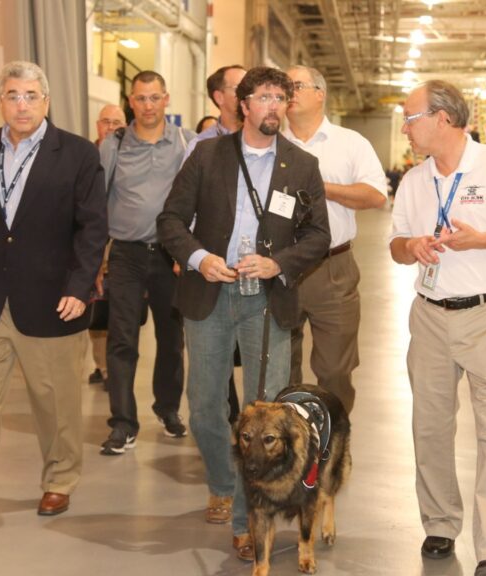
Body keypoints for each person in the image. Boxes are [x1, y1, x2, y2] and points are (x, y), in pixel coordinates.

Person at [157, 66, 331, 561]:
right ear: (244, 104)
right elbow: (169, 220)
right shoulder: (208, 155)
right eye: (265, 97)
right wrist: (199, 258)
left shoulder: (301, 165)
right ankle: (223, 483)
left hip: (266, 298)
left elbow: (318, 235)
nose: (275, 106)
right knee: (206, 407)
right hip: (209, 294)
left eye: (282, 97)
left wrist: (279, 262)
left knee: (267, 414)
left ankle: (245, 520)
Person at [0, 61, 108, 523]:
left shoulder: (78, 154)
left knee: (56, 406)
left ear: (46, 100)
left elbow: (92, 229)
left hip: (53, 302)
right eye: (13, 95)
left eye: (31, 95)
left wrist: (79, 286)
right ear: (1, 101)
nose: (22, 104)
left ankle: (59, 481)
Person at [388, 80, 486, 576]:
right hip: (430, 315)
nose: (406, 128)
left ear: (443, 118)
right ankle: (439, 521)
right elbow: (395, 244)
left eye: (411, 117)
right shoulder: (416, 180)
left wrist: (482, 240)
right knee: (430, 426)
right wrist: (411, 245)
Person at [98, 70, 196, 455]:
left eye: (155, 97)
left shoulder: (185, 143)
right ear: (130, 101)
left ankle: (168, 409)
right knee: (122, 338)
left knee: (171, 340)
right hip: (126, 254)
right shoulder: (114, 145)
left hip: (172, 257)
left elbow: (194, 201)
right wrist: (94, 262)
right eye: (141, 98)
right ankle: (123, 423)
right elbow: (96, 203)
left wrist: (189, 253)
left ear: (166, 99)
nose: (148, 105)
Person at [284, 65, 388, 413]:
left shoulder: (350, 143)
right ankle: (288, 445)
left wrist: (320, 188)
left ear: (319, 93)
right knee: (281, 366)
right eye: (285, 86)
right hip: (279, 266)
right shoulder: (270, 142)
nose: (290, 92)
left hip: (333, 267)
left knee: (335, 369)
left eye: (297, 85)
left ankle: (333, 441)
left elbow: (375, 195)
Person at [183, 64, 249, 424]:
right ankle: (223, 429)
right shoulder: (201, 146)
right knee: (215, 356)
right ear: (219, 97)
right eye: (240, 87)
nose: (247, 93)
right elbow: (182, 210)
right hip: (213, 267)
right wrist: (191, 256)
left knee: (257, 354)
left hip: (258, 267)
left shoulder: (269, 141)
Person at [88, 104, 127, 386]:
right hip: (91, 238)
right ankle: (102, 366)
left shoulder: (131, 155)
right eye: (106, 121)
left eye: (117, 122)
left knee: (120, 307)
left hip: (120, 240)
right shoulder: (84, 154)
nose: (111, 127)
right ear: (97, 125)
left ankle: (112, 367)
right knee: (97, 306)